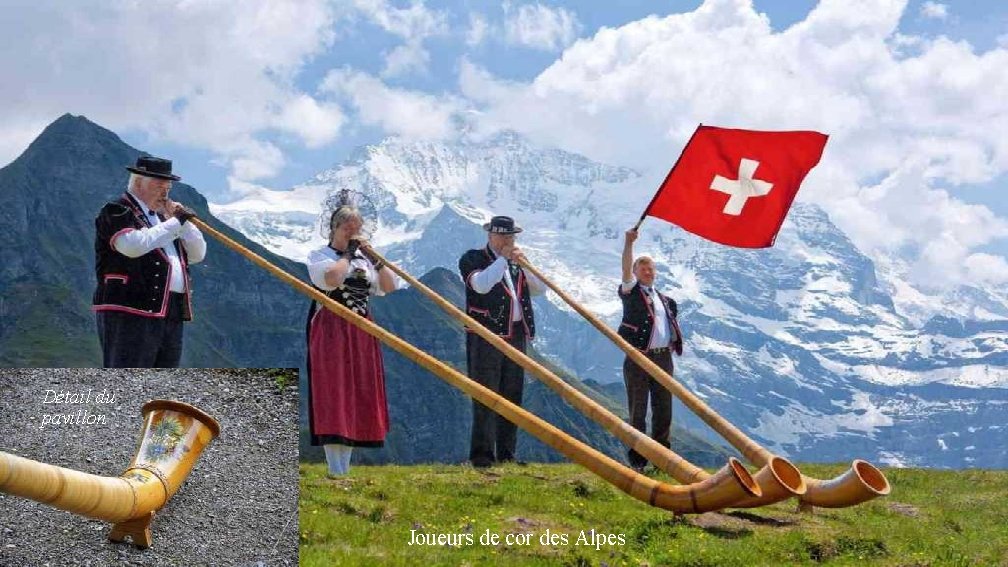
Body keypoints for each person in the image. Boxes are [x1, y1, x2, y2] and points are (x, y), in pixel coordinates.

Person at [306, 198, 396, 477]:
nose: (353, 234)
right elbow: (331, 280)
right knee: (334, 391)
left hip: (362, 329)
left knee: (358, 390)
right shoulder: (320, 255)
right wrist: (347, 255)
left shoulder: (364, 260)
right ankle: (335, 468)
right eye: (348, 229)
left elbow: (389, 287)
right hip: (332, 326)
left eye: (357, 229)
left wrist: (375, 260)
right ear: (334, 228)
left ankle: (346, 466)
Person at [93, 156, 206, 368]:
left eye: (168, 187)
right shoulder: (117, 210)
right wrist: (176, 223)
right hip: (129, 309)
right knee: (128, 373)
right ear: (137, 183)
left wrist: (186, 224)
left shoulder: (166, 221)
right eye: (159, 185)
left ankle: (155, 403)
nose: (165, 192)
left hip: (170, 311)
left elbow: (198, 254)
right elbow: (132, 246)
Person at [458, 215, 545, 468]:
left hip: (516, 335)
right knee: (486, 395)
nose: (508, 240)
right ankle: (482, 456)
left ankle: (507, 454)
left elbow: (539, 290)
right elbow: (481, 286)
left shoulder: (517, 264)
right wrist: (504, 261)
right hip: (485, 336)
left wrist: (525, 265)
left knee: (511, 395)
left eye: (511, 236)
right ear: (490, 236)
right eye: (503, 236)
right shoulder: (472, 258)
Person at [618, 228, 684, 472]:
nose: (648, 271)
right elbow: (625, 269)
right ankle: (638, 460)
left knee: (663, 408)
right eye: (642, 268)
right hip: (639, 357)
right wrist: (628, 244)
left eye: (651, 268)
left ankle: (662, 459)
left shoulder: (666, 300)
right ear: (635, 272)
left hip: (663, 357)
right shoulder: (631, 293)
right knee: (638, 409)